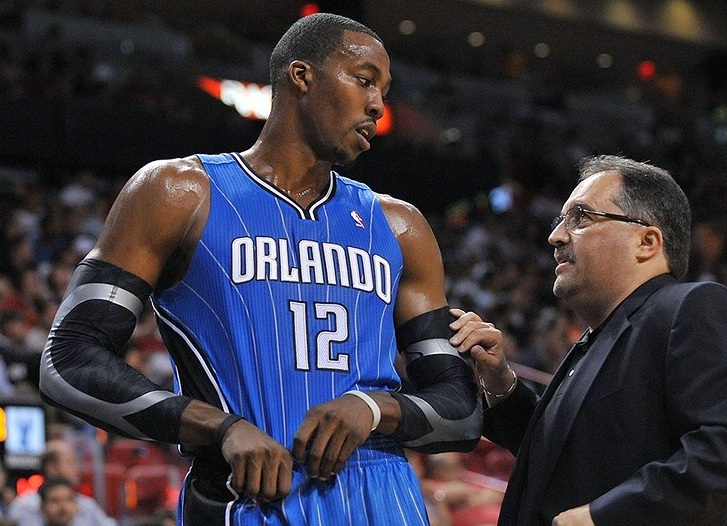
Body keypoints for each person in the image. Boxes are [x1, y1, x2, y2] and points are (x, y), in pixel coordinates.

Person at [39, 12, 482, 526]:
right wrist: (218, 427)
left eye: (384, 90)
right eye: (364, 80)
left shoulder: (401, 226)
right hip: (247, 499)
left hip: (386, 502)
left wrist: (374, 407)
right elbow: (69, 360)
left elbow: (461, 408)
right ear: (301, 76)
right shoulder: (178, 193)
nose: (378, 105)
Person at [449, 155, 727, 525]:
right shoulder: (600, 336)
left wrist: (603, 517)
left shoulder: (694, 308)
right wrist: (500, 382)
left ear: (646, 241)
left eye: (580, 217)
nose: (556, 236)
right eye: (559, 220)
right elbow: (564, 458)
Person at [8, 439, 117, 526]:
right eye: (70, 463)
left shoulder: (86, 504)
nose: (77, 469)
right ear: (51, 467)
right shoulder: (26, 506)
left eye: (68, 500)